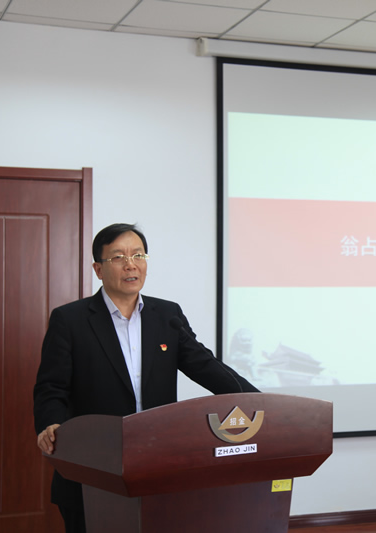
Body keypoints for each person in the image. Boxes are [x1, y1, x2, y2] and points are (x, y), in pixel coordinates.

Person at [33, 223, 258, 533]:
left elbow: (207, 366)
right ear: (98, 269)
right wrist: (50, 423)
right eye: (118, 257)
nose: (131, 264)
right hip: (94, 465)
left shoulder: (167, 315)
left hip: (157, 464)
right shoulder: (70, 319)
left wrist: (259, 402)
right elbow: (51, 387)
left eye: (138, 255)